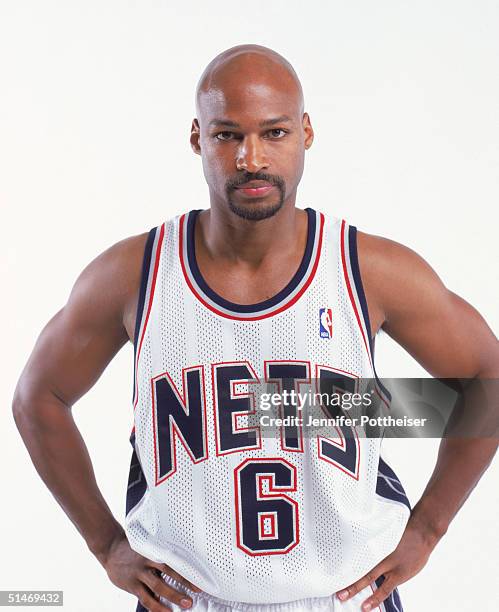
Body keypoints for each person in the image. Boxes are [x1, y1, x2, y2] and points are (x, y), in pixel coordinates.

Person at [12, 44, 498, 612]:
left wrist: (429, 529)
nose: (251, 158)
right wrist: (106, 544)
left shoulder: (369, 270)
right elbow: (37, 397)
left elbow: (486, 378)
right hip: (186, 598)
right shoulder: (134, 275)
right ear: (197, 138)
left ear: (306, 133)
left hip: (343, 597)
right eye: (227, 135)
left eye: (274, 133)